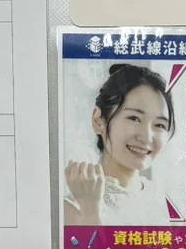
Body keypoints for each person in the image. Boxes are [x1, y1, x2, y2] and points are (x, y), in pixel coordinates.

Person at [64, 64, 176, 226]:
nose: (147, 137)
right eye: (134, 118)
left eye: (159, 125)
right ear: (98, 120)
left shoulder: (161, 200)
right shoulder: (74, 206)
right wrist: (91, 210)